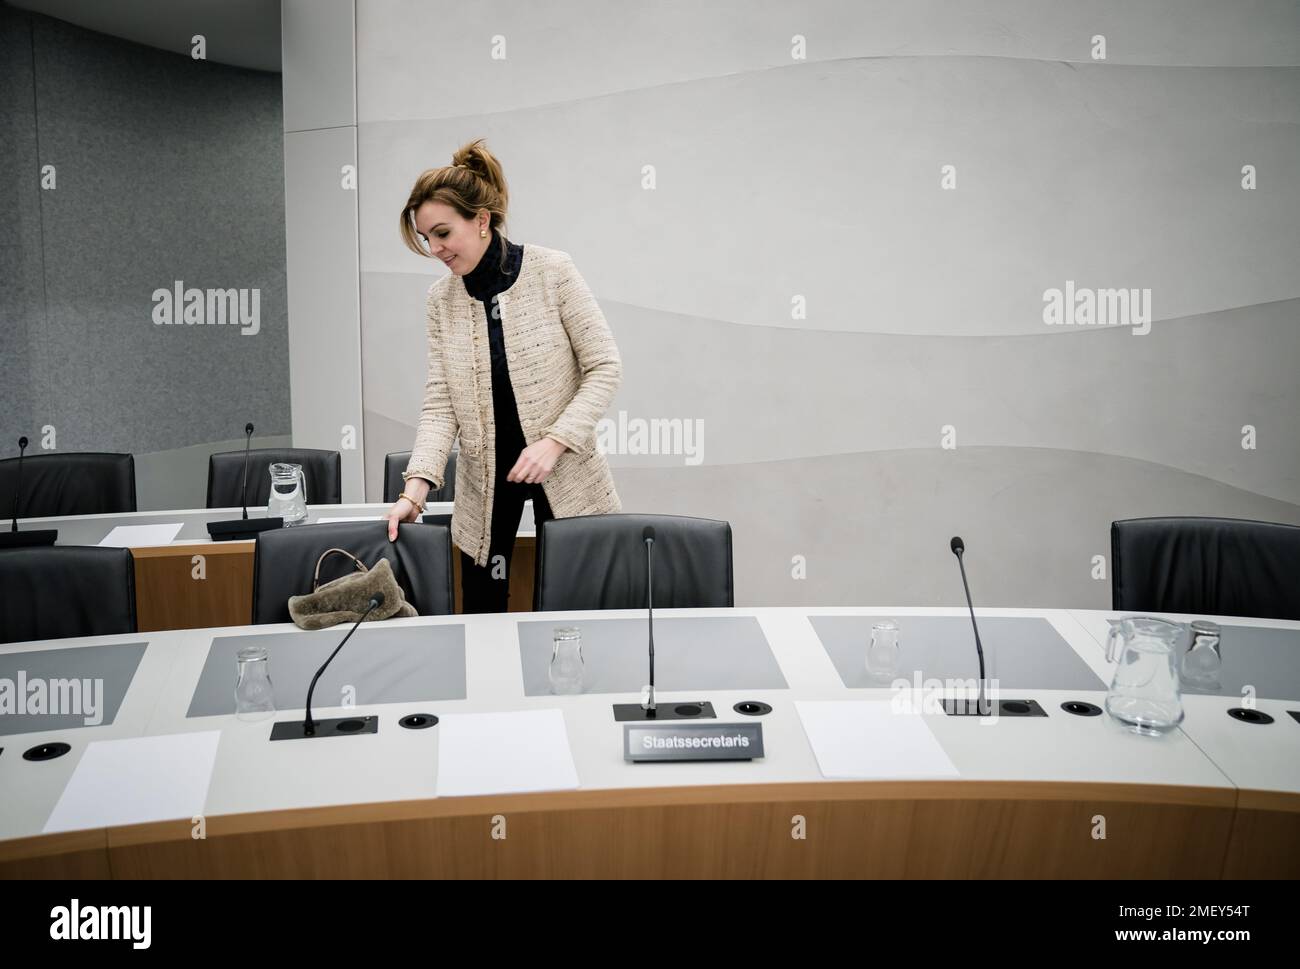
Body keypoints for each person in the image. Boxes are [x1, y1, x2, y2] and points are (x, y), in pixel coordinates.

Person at [386, 138, 623, 613]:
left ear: (481, 219)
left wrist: (552, 442)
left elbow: (604, 366)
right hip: (487, 482)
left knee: (580, 606)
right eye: (426, 238)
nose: (435, 249)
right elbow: (440, 401)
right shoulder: (442, 300)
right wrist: (416, 489)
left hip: (567, 472)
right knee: (482, 607)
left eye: (443, 233)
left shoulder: (551, 271)